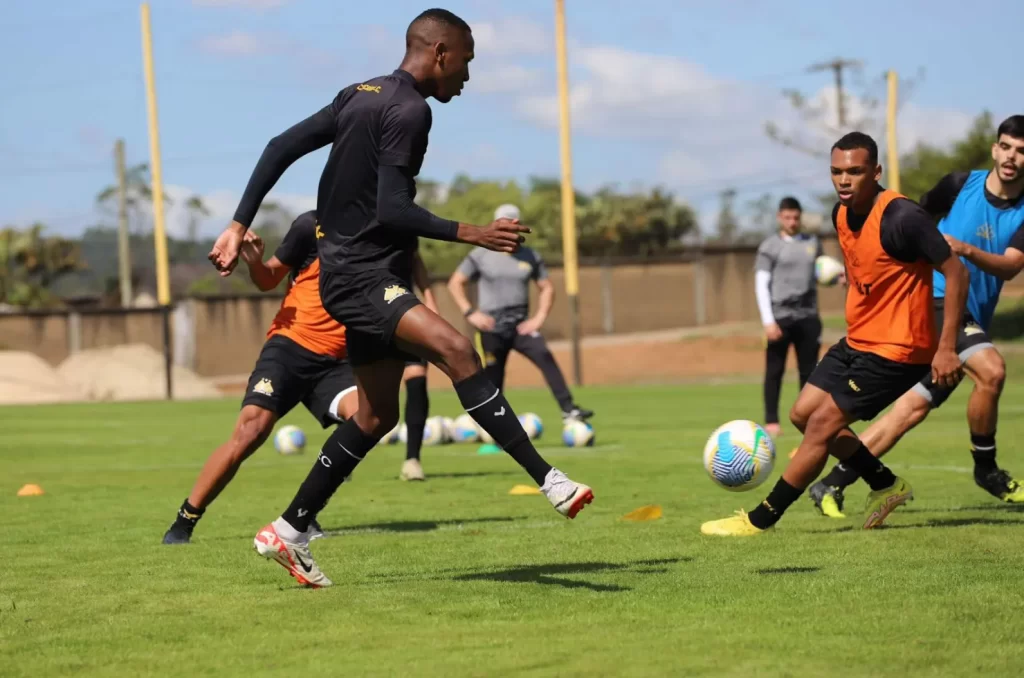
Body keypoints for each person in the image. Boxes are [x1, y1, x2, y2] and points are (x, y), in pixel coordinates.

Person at [207, 8, 593, 587]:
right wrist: (475, 232)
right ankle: (550, 480)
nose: (466, 76)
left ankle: (288, 530)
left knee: (376, 414)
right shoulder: (410, 110)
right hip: (362, 275)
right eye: (465, 61)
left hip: (353, 274)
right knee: (458, 350)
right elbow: (392, 209)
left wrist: (239, 223)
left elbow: (278, 145)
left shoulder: (359, 94)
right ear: (439, 52)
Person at [701, 131, 968, 536]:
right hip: (858, 339)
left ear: (875, 172)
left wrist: (946, 347)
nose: (844, 180)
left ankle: (760, 520)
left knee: (823, 425)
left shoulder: (902, 217)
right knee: (801, 416)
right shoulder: (840, 214)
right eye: (836, 172)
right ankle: (886, 484)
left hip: (899, 349)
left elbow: (956, 271)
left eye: (855, 172)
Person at [809, 115, 1024, 517]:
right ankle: (987, 469)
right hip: (935, 302)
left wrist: (965, 249)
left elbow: (1011, 266)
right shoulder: (959, 185)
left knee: (911, 409)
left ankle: (832, 483)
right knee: (992, 370)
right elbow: (905, 229)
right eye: (1007, 147)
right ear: (995, 148)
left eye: (1022, 151)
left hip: (969, 314)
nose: (1012, 157)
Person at [163, 211, 357, 545]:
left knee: (366, 419)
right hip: (290, 348)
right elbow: (268, 279)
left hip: (336, 362)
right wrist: (255, 262)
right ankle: (185, 519)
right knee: (251, 431)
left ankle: (302, 516)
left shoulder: (383, 232)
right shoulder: (310, 225)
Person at [448, 203, 593, 446]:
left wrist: (538, 318)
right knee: (493, 381)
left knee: (544, 356)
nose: (507, 228)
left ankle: (570, 410)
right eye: (502, 223)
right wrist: (471, 313)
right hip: (491, 327)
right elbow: (455, 283)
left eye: (512, 224)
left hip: (521, 326)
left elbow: (546, 288)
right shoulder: (480, 254)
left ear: (518, 226)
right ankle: (491, 428)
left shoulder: (530, 255)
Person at [754, 197, 830, 439]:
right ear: (779, 217)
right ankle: (772, 421)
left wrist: (836, 276)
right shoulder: (770, 247)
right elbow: (761, 284)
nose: (792, 221)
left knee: (809, 372)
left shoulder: (812, 243)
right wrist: (768, 320)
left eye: (796, 217)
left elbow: (821, 272)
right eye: (787, 217)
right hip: (780, 317)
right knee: (774, 371)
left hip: (808, 316)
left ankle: (807, 419)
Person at [397, 249, 439, 482]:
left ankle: (412, 460)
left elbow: (415, 259)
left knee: (417, 379)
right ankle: (342, 459)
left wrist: (431, 302)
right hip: (367, 312)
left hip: (406, 312)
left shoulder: (402, 224)